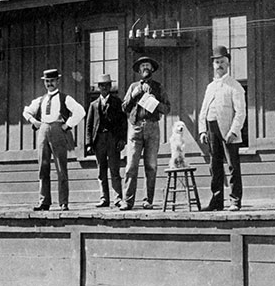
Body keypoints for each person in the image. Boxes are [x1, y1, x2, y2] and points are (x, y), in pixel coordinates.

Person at [23, 68, 86, 211]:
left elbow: (80, 111)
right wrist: (34, 121)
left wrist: (67, 125)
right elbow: (26, 111)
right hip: (43, 130)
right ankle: (44, 201)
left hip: (58, 130)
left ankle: (63, 202)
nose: (50, 83)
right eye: (47, 81)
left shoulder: (65, 98)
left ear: (57, 81)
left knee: (60, 167)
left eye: (52, 81)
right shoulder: (41, 100)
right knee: (43, 167)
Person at [198, 46, 247, 211]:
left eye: (222, 62)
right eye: (216, 62)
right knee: (215, 165)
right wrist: (202, 130)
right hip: (211, 129)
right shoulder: (210, 86)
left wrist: (234, 131)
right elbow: (203, 110)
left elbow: (240, 112)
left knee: (232, 165)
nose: (219, 65)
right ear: (213, 64)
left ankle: (235, 200)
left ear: (228, 64)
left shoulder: (234, 86)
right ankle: (216, 201)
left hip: (228, 131)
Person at [120, 56, 171, 210]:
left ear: (152, 69)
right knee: (131, 166)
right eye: (142, 65)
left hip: (152, 128)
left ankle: (147, 200)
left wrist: (156, 102)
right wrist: (134, 94)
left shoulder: (158, 87)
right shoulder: (133, 86)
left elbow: (167, 109)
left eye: (148, 65)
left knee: (151, 166)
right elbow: (124, 107)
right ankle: (127, 201)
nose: (145, 68)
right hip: (135, 128)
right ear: (139, 70)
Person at [85, 74, 128, 208]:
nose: (104, 88)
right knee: (101, 170)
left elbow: (123, 123)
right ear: (98, 87)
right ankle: (104, 198)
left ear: (110, 87)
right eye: (101, 85)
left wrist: (122, 139)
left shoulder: (117, 102)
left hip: (113, 139)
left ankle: (118, 198)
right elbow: (89, 125)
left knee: (114, 169)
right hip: (99, 140)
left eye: (107, 85)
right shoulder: (93, 105)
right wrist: (88, 143)